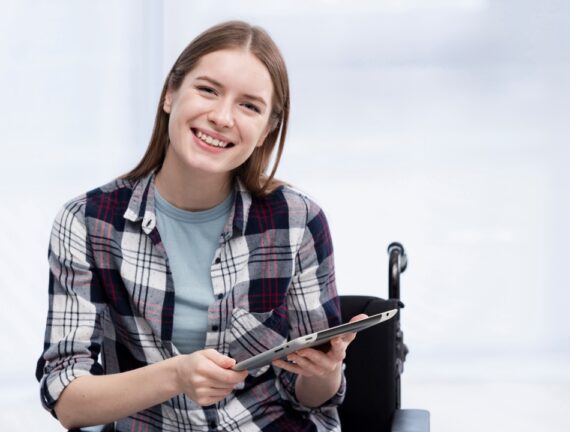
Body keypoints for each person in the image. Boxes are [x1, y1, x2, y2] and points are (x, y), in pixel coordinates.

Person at [36, 20, 363, 431]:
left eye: (249, 106)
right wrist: (175, 375)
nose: (222, 117)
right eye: (208, 90)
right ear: (170, 94)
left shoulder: (297, 221)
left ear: (266, 131)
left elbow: (310, 399)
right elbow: (66, 397)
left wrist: (325, 370)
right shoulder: (86, 222)